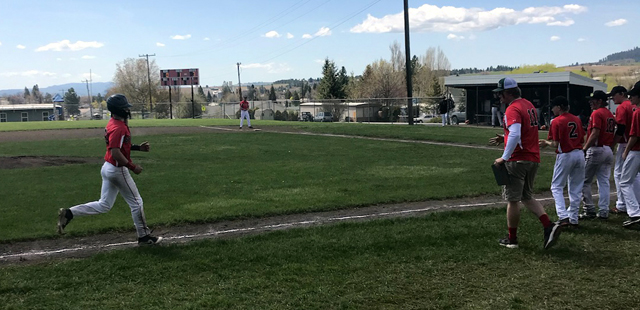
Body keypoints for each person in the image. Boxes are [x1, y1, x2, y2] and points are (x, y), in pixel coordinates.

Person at [56, 94, 162, 245]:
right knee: (136, 202)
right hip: (118, 170)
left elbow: (120, 146)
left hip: (108, 167)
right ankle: (144, 237)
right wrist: (133, 167)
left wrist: (138, 148)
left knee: (104, 204)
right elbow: (116, 152)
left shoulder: (114, 123)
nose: (127, 109)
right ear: (119, 109)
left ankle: (69, 213)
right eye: (125, 107)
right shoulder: (119, 127)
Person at [488, 77, 561, 249]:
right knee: (526, 196)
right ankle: (548, 225)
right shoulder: (528, 105)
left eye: (501, 94)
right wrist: (504, 137)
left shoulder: (512, 108)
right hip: (532, 157)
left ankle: (512, 239)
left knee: (512, 200)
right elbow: (522, 131)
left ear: (509, 93)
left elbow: (515, 134)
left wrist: (504, 157)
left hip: (517, 159)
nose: (499, 97)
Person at [539, 96, 585, 227]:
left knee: (556, 186)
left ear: (559, 107)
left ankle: (563, 216)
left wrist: (545, 143)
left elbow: (555, 144)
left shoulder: (556, 121)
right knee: (576, 188)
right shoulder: (577, 119)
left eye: (553, 107)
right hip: (579, 153)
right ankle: (573, 218)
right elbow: (582, 138)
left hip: (566, 154)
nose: (552, 110)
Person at [580, 90, 615, 220]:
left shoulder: (597, 113)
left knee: (584, 181)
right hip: (607, 149)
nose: (590, 103)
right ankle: (604, 211)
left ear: (599, 101)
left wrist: (585, 148)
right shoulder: (609, 113)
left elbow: (595, 133)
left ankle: (589, 209)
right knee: (604, 182)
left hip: (597, 149)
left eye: (592, 100)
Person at [610, 85, 640, 215]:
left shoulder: (623, 107)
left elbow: (622, 129)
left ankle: (622, 204)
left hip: (629, 144)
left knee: (620, 176)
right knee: (635, 176)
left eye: (614, 94)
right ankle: (636, 203)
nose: (612, 98)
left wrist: (613, 145)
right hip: (634, 144)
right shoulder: (634, 106)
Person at [620, 81, 640, 228]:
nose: (630, 98)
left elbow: (634, 135)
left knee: (624, 182)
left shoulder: (638, 112)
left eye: (632, 95)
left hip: (636, 150)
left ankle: (634, 213)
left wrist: (626, 151)